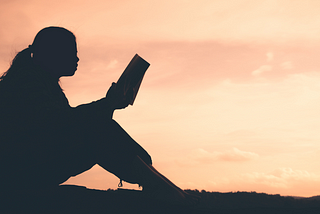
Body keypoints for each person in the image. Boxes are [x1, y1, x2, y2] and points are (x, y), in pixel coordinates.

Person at [0, 26, 197, 205]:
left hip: (28, 166)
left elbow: (65, 122)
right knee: (99, 129)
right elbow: (58, 125)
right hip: (20, 173)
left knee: (99, 127)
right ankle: (167, 191)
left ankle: (167, 189)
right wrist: (107, 104)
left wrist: (109, 105)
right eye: (72, 53)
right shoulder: (27, 82)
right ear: (53, 53)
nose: (77, 59)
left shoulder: (37, 79)